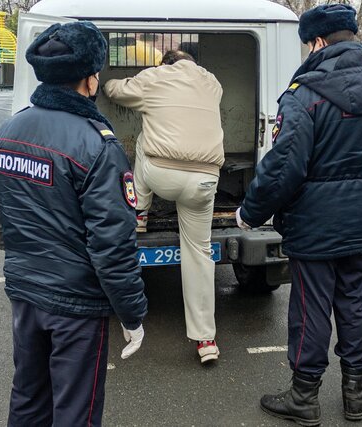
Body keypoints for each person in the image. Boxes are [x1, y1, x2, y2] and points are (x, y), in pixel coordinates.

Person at [235, 4, 362, 424]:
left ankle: (304, 396)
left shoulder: (306, 95)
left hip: (315, 223)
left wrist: (250, 212)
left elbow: (283, 168)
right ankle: (355, 392)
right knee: (352, 303)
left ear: (316, 43)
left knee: (311, 307)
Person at [0, 22, 148, 426]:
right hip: (76, 304)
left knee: (28, 397)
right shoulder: (98, 145)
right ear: (90, 80)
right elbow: (113, 247)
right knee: (76, 411)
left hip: (25, 293)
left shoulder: (11, 129)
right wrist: (132, 313)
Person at [103, 50, 224, 364]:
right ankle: (205, 340)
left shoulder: (155, 77)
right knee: (199, 252)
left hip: (161, 177)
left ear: (165, 64)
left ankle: (140, 211)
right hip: (205, 182)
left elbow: (114, 90)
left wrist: (108, 82)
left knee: (145, 139)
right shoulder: (212, 83)